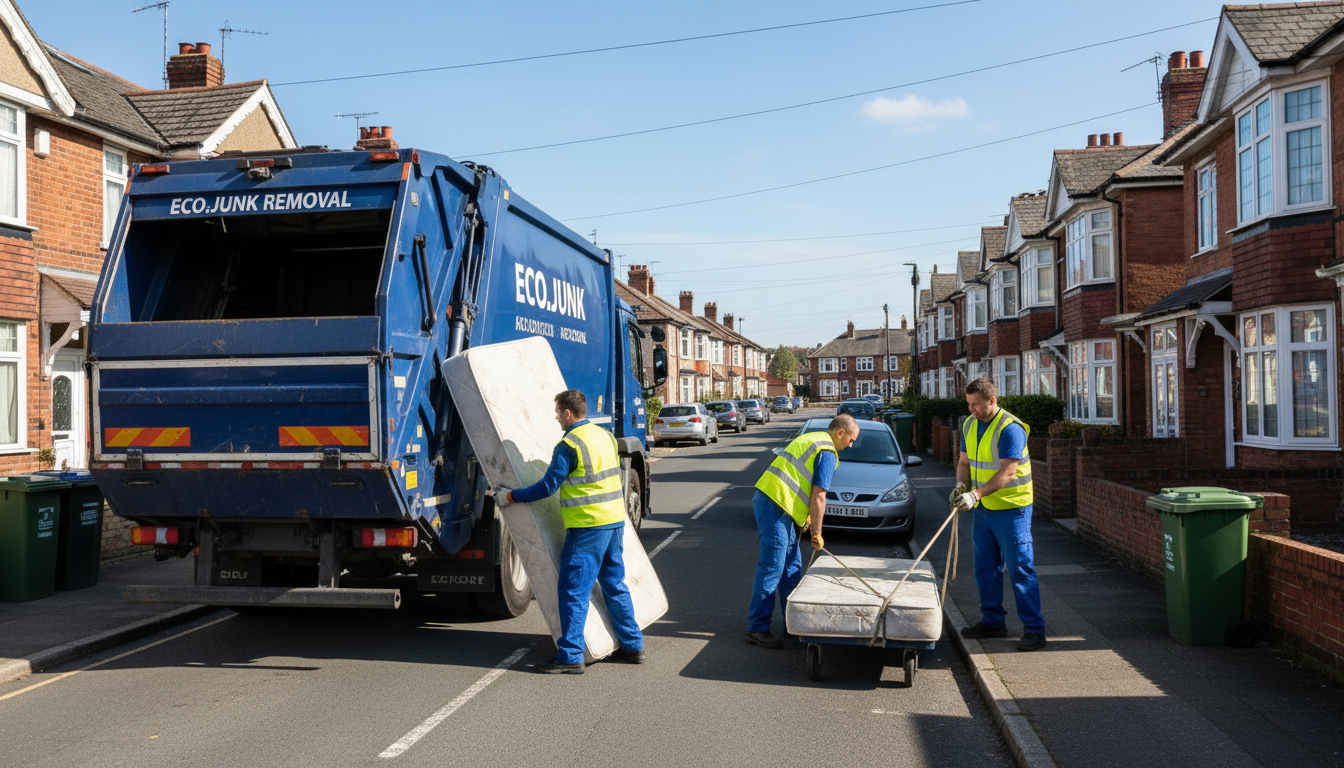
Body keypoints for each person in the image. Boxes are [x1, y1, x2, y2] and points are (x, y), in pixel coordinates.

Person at [492, 389, 643, 674]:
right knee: (614, 584)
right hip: (614, 522)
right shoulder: (606, 437)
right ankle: (634, 645)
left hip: (588, 527)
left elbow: (548, 486)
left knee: (573, 589)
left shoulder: (569, 445)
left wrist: (511, 497)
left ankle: (571, 656)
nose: (556, 417)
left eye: (558, 412)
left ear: (568, 413)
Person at [746, 413, 859, 649]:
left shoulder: (814, 438)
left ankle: (792, 623)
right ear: (840, 433)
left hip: (775, 502)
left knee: (792, 567)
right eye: (851, 440)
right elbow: (819, 495)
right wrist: (817, 531)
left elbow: (800, 480)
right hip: (775, 505)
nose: (852, 445)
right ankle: (757, 628)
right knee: (772, 566)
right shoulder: (827, 452)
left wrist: (805, 516)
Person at [950, 377, 1046, 651]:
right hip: (984, 509)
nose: (971, 410)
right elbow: (963, 463)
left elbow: (1007, 472)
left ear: (992, 400)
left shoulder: (1010, 429)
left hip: (1012, 509)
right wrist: (961, 486)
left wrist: (975, 494)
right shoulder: (969, 424)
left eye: (976, 404)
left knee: (1019, 569)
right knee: (984, 568)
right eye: (968, 404)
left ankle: (1035, 630)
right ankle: (993, 622)